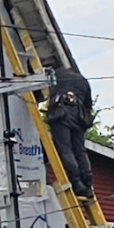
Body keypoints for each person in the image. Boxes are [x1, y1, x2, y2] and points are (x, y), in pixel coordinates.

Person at [47, 66, 95, 198]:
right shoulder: (83, 80)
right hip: (78, 116)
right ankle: (87, 182)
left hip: (61, 113)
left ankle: (77, 182)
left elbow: (40, 87)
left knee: (65, 149)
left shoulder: (57, 73)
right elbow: (88, 106)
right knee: (80, 150)